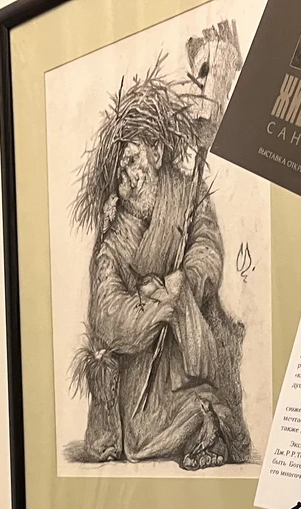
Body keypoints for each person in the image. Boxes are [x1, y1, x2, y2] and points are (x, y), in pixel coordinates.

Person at [75, 70, 252, 470]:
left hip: (189, 343)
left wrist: (182, 283)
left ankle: (209, 427)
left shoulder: (189, 196)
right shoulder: (115, 236)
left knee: (199, 398)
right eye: (120, 170)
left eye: (133, 160)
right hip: (142, 367)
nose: (127, 178)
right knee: (139, 437)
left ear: (156, 155)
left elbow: (208, 251)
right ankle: (198, 425)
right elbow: (105, 309)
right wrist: (156, 307)